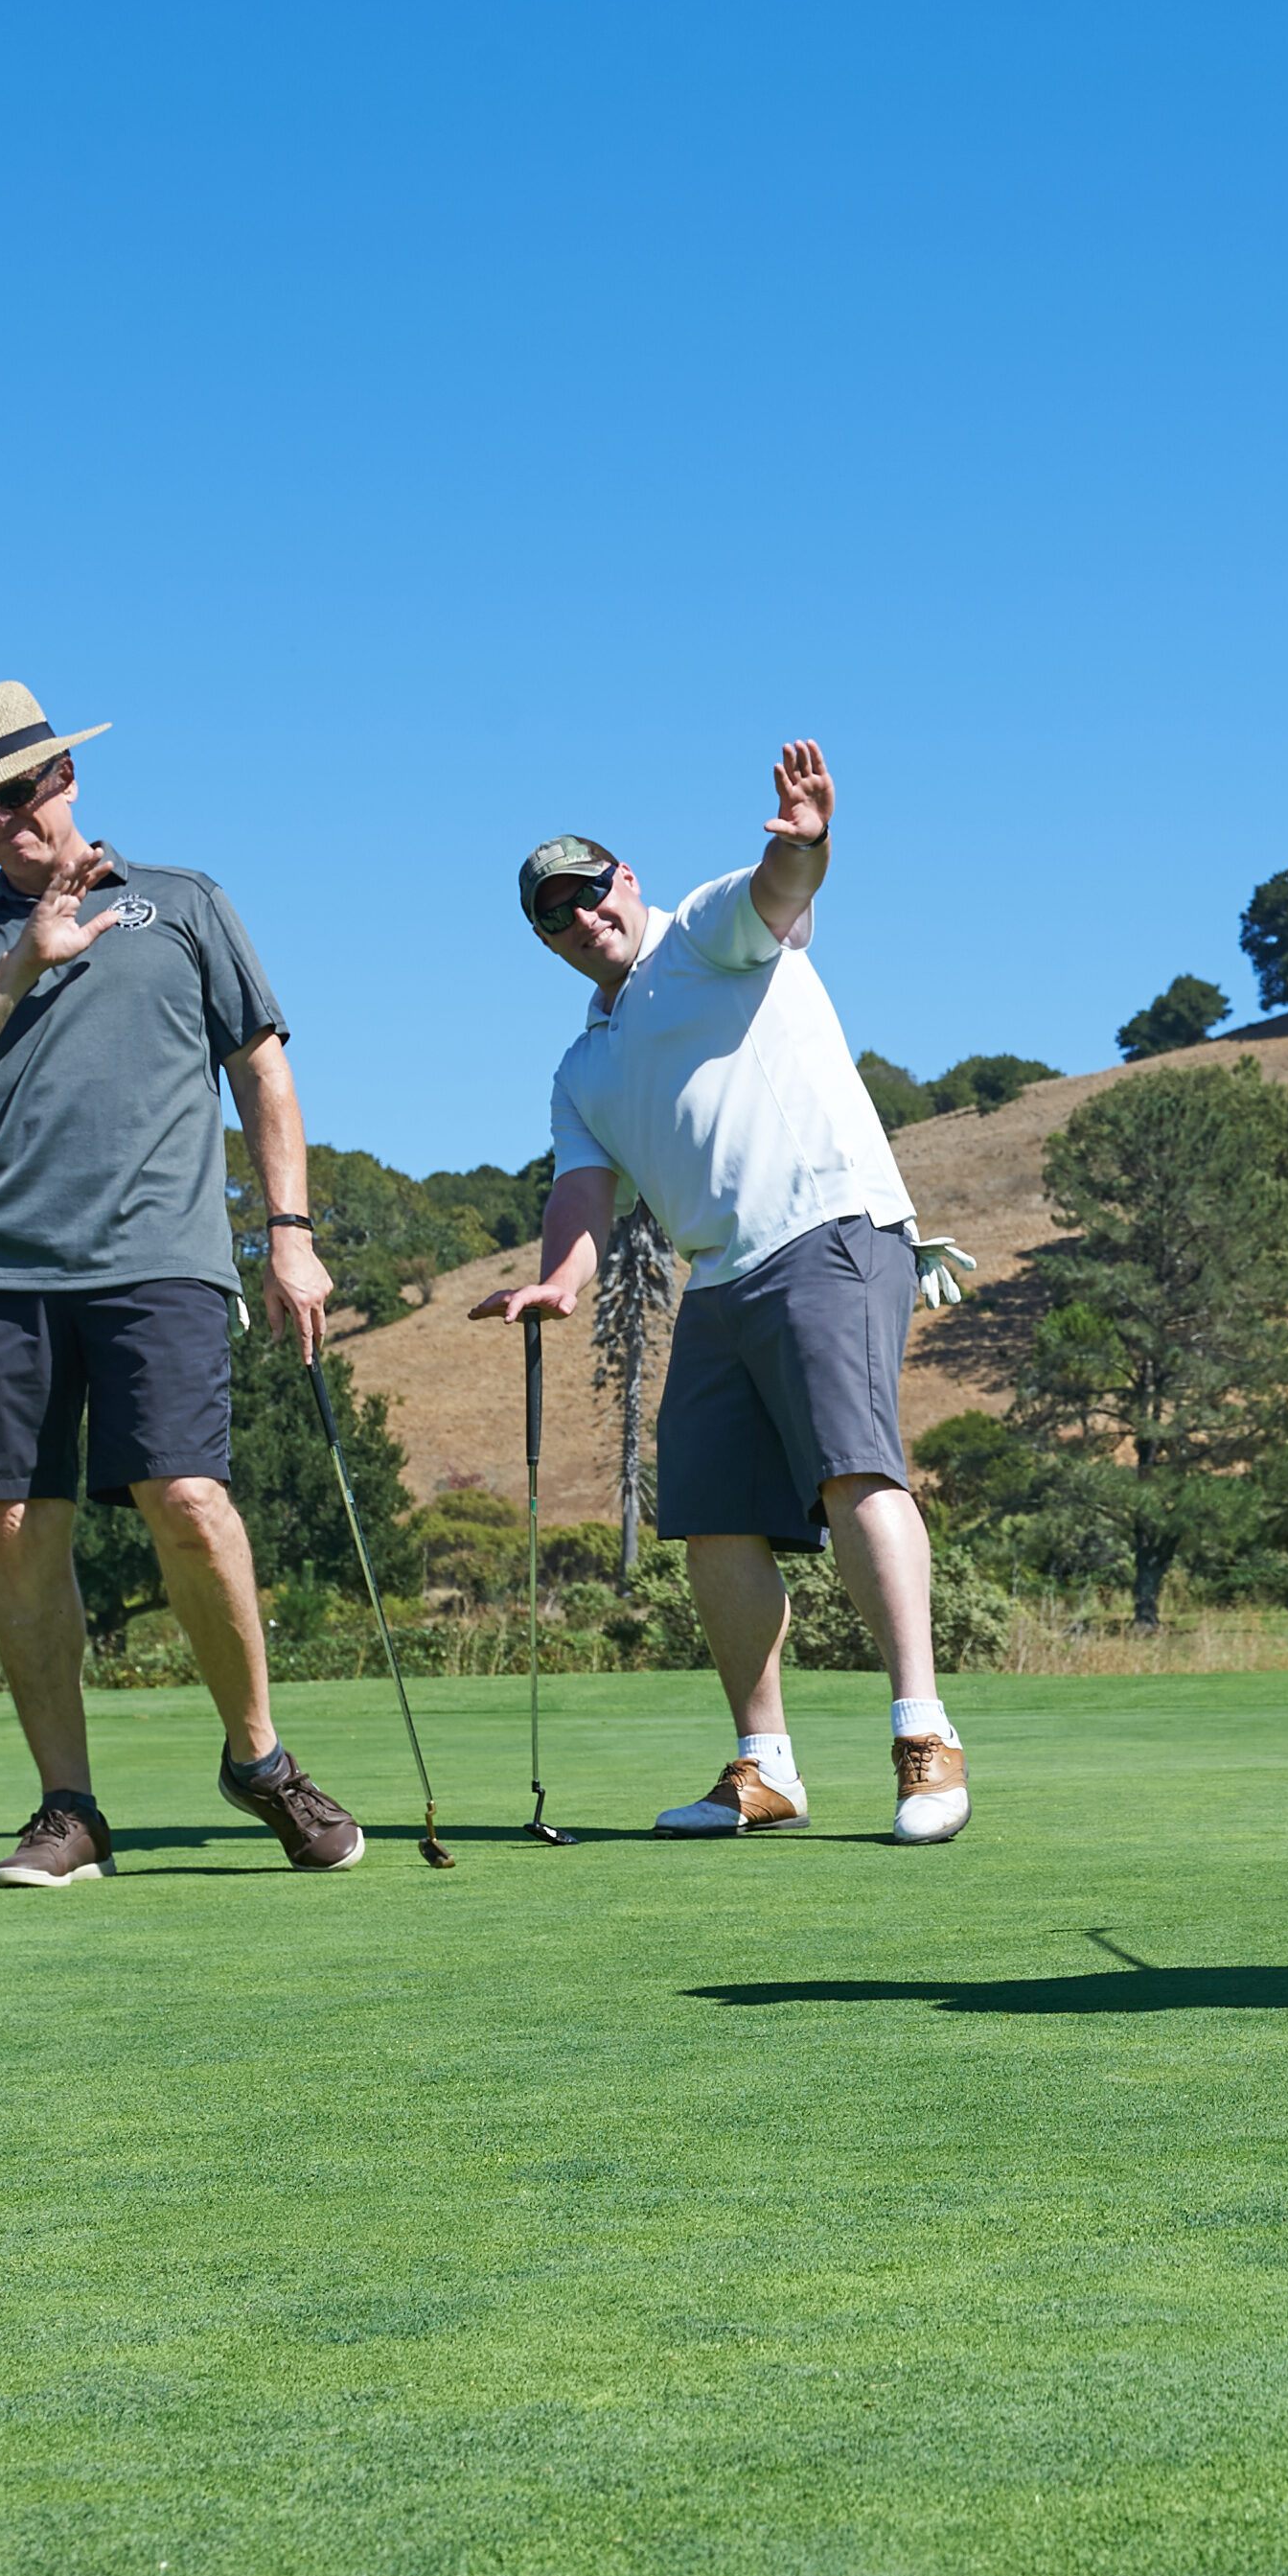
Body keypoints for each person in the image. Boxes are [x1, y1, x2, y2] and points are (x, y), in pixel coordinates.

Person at [0, 682, 367, 1888]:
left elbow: (265, 1070)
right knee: (16, 1525)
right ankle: (68, 1809)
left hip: (162, 1258)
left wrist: (287, 1231)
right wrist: (20, 965)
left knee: (187, 1498)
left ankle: (258, 1760)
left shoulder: (184, 903)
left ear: (64, 778)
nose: (6, 820)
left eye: (20, 790)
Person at [479, 741, 970, 1845]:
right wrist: (558, 1281)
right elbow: (583, 1192)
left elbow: (778, 894)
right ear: (547, 940)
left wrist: (805, 844)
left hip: (830, 1228)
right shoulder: (581, 1066)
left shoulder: (704, 930)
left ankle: (925, 1735)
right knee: (710, 1521)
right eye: (556, 914)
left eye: (592, 891)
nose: (583, 918)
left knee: (854, 1472)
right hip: (724, 1276)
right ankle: (767, 1766)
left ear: (629, 883)